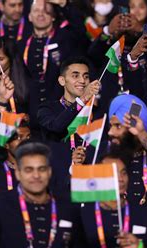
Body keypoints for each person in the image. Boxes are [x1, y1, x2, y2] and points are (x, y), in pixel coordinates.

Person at [37, 56, 100, 192]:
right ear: (62, 80)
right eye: (75, 76)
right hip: (58, 184)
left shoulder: (95, 112)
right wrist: (83, 100)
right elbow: (56, 127)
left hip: (91, 182)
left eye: (86, 76)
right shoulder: (47, 109)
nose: (82, 81)